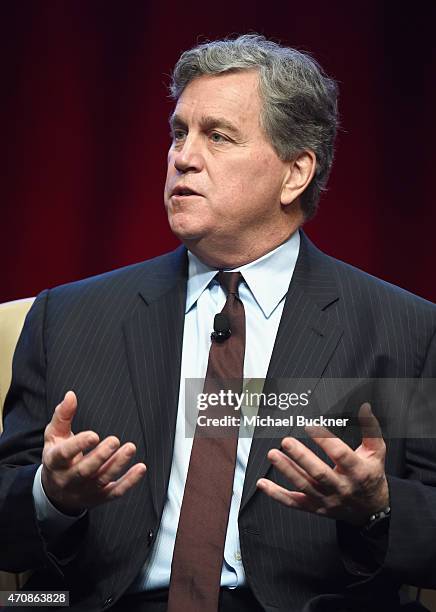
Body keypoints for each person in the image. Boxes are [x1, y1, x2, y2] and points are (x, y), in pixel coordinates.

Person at [1, 34, 435, 612]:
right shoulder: (68, 317)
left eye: (218, 136)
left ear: (295, 172)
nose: (183, 156)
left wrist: (378, 506)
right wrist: (50, 495)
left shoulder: (403, 330)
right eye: (179, 132)